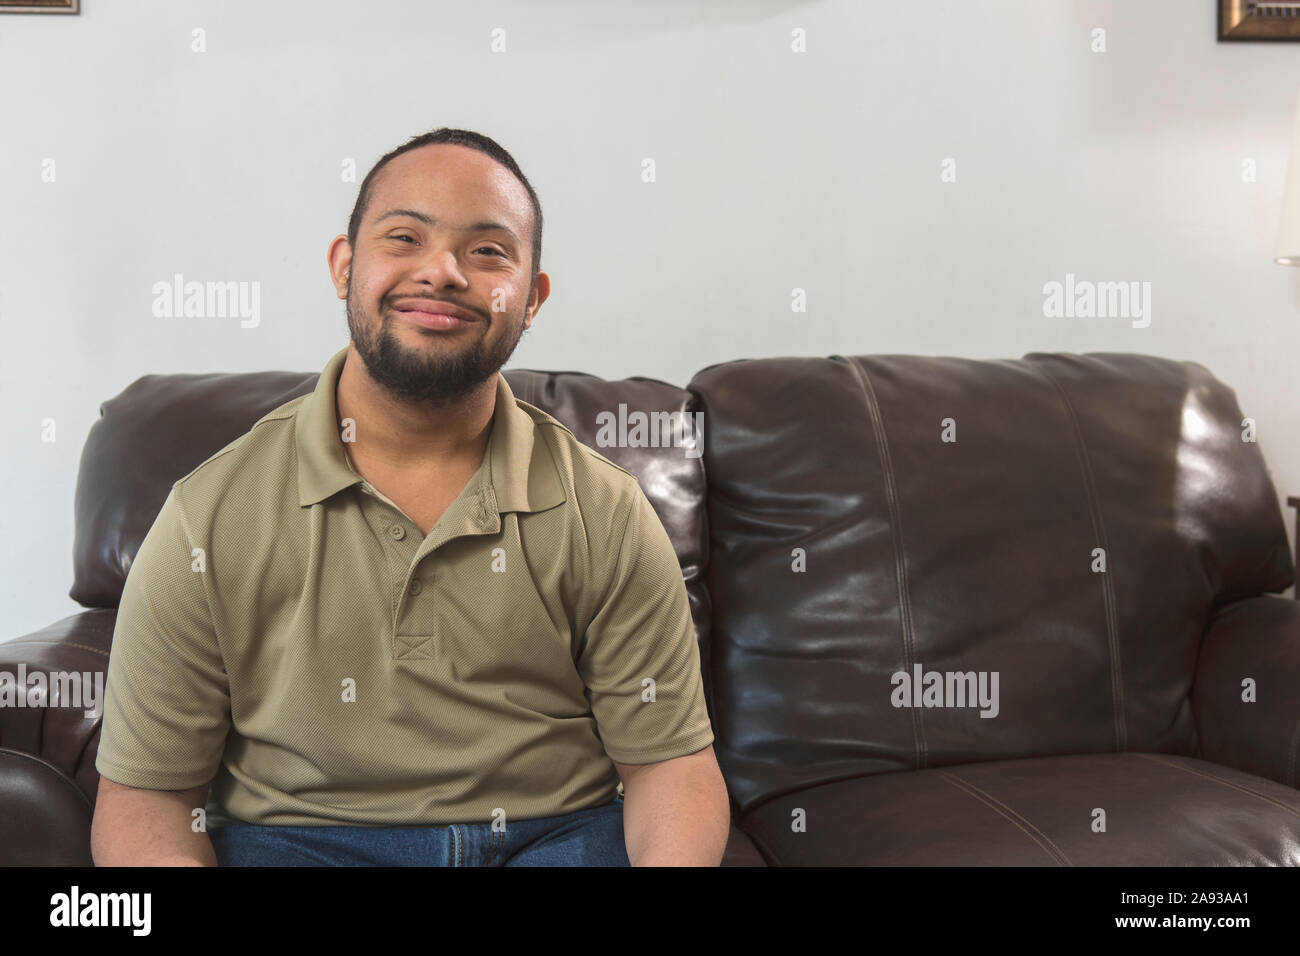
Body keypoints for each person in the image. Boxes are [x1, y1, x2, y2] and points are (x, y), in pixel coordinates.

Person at [90, 128, 731, 867]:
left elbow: (669, 768)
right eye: (404, 237)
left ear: (530, 299)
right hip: (297, 842)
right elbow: (147, 797)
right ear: (344, 266)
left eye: (489, 251)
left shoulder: (606, 511)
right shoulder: (209, 515)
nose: (443, 271)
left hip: (552, 837)